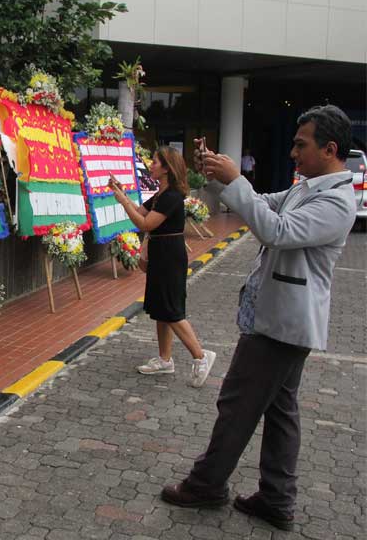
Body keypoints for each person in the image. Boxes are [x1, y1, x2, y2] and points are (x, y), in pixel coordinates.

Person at [160, 105, 356, 531]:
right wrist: (219, 176)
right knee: (281, 410)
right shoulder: (309, 186)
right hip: (280, 319)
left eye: (301, 145)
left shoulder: (337, 201)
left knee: (237, 404)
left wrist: (236, 180)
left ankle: (206, 484)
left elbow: (278, 231)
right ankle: (276, 498)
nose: (292, 153)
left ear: (330, 148)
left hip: (282, 324)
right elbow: (264, 206)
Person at [109, 146, 216, 388]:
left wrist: (123, 201)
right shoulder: (160, 194)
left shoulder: (172, 196)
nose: (151, 165)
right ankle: (165, 359)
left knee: (171, 309)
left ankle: (200, 356)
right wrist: (121, 192)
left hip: (170, 257)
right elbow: (140, 212)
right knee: (161, 310)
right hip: (161, 254)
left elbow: (145, 223)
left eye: (156, 162)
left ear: (167, 168)